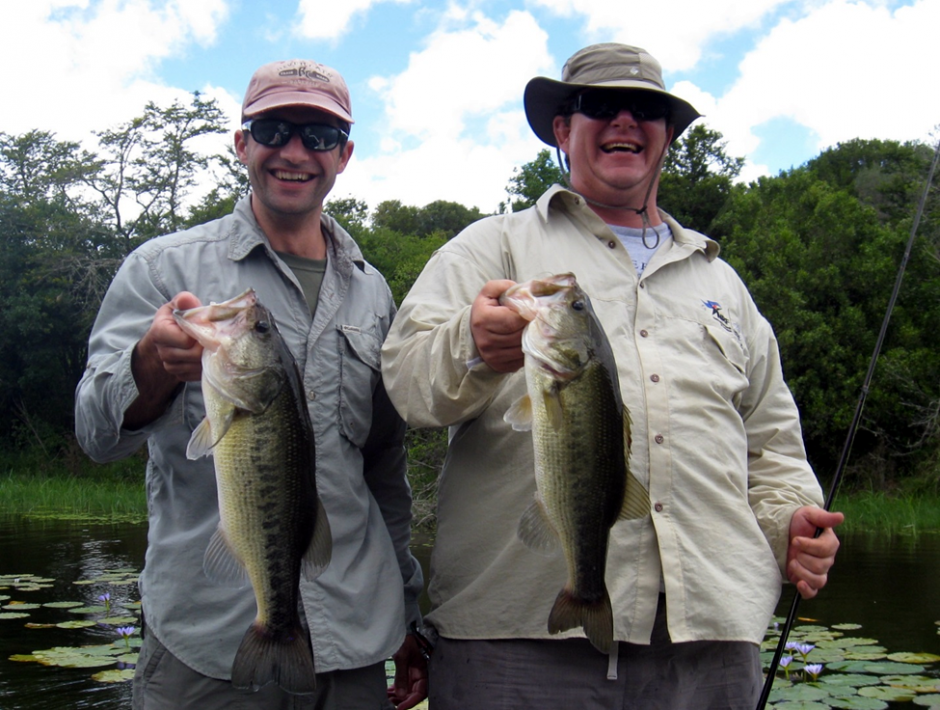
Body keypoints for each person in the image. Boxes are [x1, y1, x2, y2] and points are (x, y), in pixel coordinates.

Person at [380, 43, 844, 709]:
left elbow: (772, 443)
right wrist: (473, 345)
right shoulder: (493, 246)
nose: (625, 120)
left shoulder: (722, 283)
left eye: (647, 109)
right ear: (563, 131)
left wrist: (791, 521)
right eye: (599, 106)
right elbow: (406, 383)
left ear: (668, 136)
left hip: (708, 640)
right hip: (520, 638)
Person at [75, 59, 427, 710]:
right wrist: (151, 361)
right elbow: (95, 432)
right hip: (205, 642)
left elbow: (383, 467)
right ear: (242, 143)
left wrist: (405, 610)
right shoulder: (162, 268)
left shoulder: (373, 292)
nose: (295, 152)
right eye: (275, 129)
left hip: (354, 636)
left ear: (344, 155)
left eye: (319, 136)